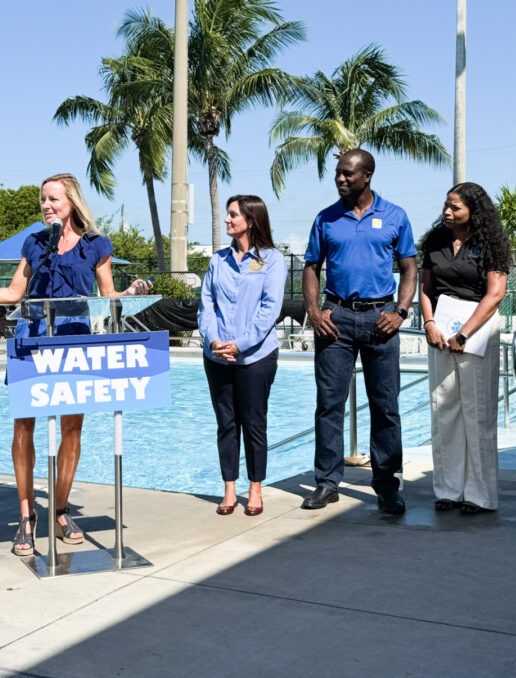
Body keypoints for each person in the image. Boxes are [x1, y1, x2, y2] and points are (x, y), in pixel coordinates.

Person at [0, 172, 151, 556]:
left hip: (75, 341)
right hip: (32, 338)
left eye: (54, 199)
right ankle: (26, 516)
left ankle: (60, 509)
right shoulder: (34, 243)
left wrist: (128, 294)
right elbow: (15, 292)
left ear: (72, 202)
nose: (47, 205)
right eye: (43, 200)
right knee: (23, 428)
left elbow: (108, 294)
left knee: (72, 429)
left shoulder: (98, 245)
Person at [302, 149, 417, 514]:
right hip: (336, 319)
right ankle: (327, 483)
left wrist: (399, 312)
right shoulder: (326, 219)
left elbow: (410, 269)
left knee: (386, 406)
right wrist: (314, 311)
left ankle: (386, 485)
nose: (340, 179)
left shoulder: (395, 215)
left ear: (367, 176)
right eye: (338, 173)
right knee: (329, 404)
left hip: (381, 320)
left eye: (347, 174)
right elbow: (311, 267)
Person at [420, 182, 509, 513]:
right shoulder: (436, 241)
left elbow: (495, 294)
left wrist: (465, 334)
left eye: (455, 207)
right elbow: (426, 288)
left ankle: (479, 495)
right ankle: (448, 489)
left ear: (474, 211)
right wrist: (430, 324)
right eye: (446, 205)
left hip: (478, 329)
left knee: (477, 412)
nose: (447, 211)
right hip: (441, 329)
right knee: (444, 408)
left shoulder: (491, 245)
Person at [198, 195, 287, 517]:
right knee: (226, 423)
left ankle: (255, 488)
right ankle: (229, 489)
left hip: (257, 356)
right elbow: (206, 305)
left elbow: (269, 309)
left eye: (233, 215)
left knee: (253, 422)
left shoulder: (272, 260)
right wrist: (214, 340)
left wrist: (241, 343)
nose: (226, 220)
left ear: (250, 220)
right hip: (217, 356)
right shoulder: (217, 261)